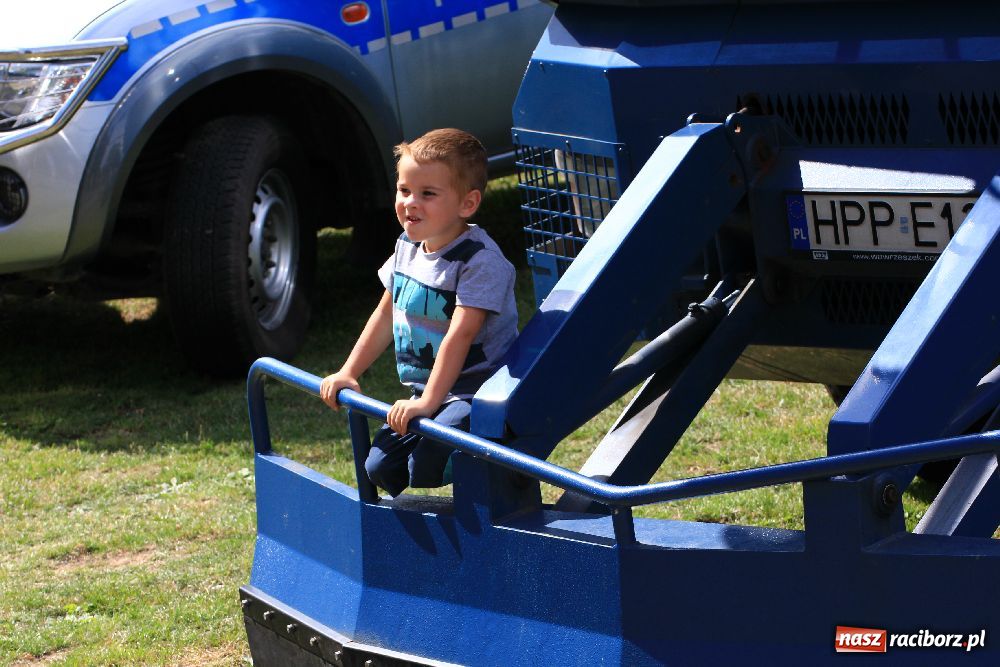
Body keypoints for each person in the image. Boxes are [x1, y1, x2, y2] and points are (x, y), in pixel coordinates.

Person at [320, 128, 518, 497]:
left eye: (427, 194)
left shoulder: (479, 261)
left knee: (425, 462)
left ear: (467, 204)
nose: (411, 202)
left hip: (477, 391)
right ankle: (406, 535)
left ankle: (496, 478)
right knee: (379, 467)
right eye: (404, 190)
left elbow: (460, 335)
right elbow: (384, 315)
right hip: (426, 389)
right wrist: (349, 372)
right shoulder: (407, 247)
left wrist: (428, 403)